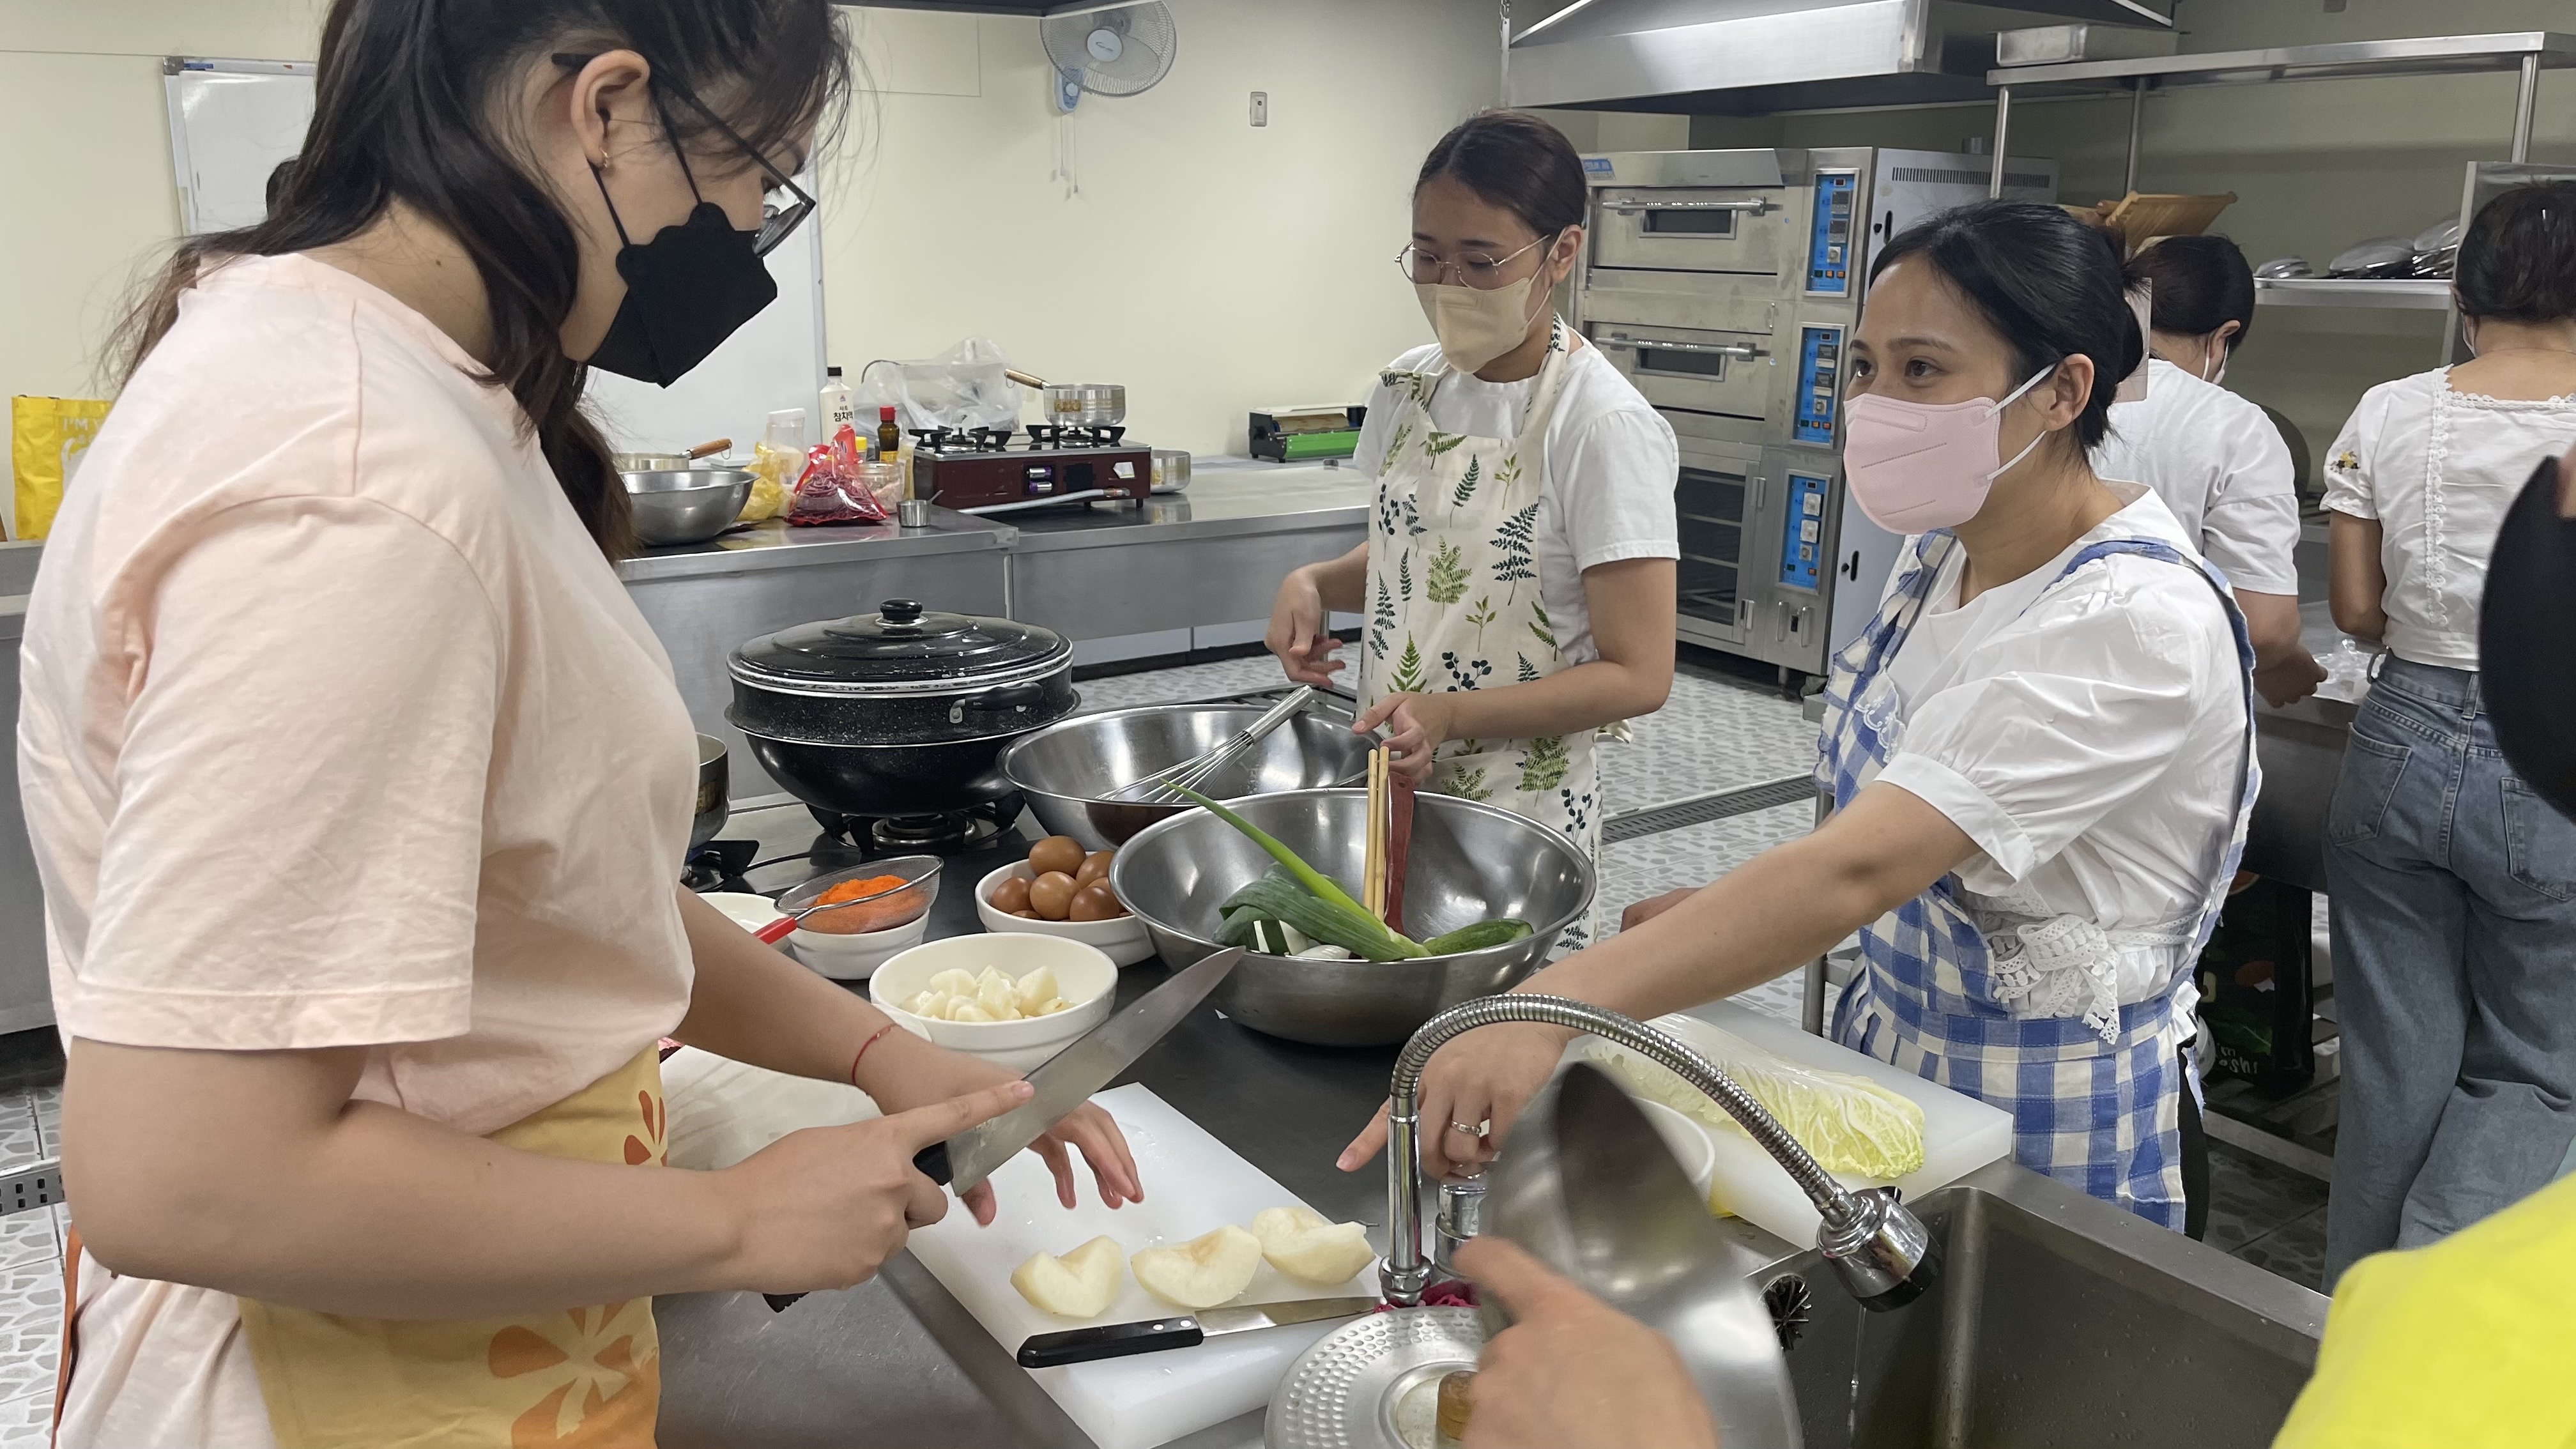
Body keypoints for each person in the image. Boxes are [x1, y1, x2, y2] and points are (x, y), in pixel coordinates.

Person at [19, 6, 1138, 1445]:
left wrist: (869, 1053)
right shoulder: (359, 492)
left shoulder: (397, 382)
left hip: (483, 1323)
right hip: (342, 1376)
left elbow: (558, 895)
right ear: (607, 108)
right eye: (757, 182)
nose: (746, 235)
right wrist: (734, 1225)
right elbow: (191, 1179)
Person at [1344, 200, 2257, 1236]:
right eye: (1864, 367)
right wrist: (1724, 905)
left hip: (2056, 1124)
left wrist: (1546, 1007)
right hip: (1894, 1067)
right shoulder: (1947, 552)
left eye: (1921, 371)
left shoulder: (2132, 621)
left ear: (2061, 390)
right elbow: (1919, 830)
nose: (1873, 404)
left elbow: (1856, 869)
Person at [1266, 110, 1678, 951]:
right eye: (1428, 255)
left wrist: (1452, 714)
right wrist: (1313, 583)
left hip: (1517, 810)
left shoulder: (1602, 426)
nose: (1449, 284)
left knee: (1492, 1034)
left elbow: (1640, 673)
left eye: (1481, 261)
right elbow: (1414, 550)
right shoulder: (1408, 387)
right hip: (1395, 776)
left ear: (1561, 253)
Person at [2319, 178, 2576, 1287]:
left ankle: (2351, 1309)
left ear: (2467, 290)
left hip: (2398, 734)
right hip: (2553, 755)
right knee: (2537, 1064)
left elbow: (2356, 612)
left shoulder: (2388, 409)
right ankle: (2429, 1305)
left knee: (2392, 1059)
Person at [2094, 234, 2326, 708]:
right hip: (2156, 703)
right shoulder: (2234, 426)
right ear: (2222, 338)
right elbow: (2263, 630)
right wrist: (2286, 666)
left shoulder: (2064, 388)